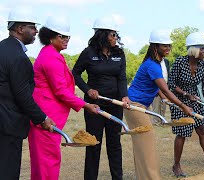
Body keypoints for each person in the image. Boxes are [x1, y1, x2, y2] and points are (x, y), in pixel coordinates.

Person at [28, 16, 99, 180]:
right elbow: (60, 90)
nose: (66, 40)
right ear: (50, 36)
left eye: (68, 36)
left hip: (50, 118)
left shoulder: (52, 54)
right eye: (62, 36)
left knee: (48, 161)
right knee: (46, 163)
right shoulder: (50, 57)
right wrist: (85, 105)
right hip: (45, 118)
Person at [124, 29, 193, 180]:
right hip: (135, 106)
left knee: (142, 144)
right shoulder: (152, 65)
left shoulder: (157, 63)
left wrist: (163, 98)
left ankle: (144, 176)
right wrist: (183, 106)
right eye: (164, 45)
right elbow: (166, 89)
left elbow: (157, 88)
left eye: (169, 45)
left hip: (140, 106)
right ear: (155, 46)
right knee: (146, 142)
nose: (168, 48)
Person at [0, 8, 55, 179]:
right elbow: (22, 95)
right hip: (8, 124)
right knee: (7, 171)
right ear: (20, 29)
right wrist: (42, 118)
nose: (36, 31)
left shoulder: (3, 47)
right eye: (32, 27)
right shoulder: (18, 57)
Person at [72, 17, 129, 180]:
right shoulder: (88, 52)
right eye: (113, 34)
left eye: (116, 34)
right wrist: (88, 90)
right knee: (93, 144)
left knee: (114, 145)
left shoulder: (119, 53)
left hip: (115, 105)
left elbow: (122, 77)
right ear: (103, 35)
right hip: (94, 107)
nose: (116, 38)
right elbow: (75, 73)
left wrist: (124, 95)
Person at [168, 32, 204, 176]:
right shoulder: (180, 62)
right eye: (202, 49)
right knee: (182, 133)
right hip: (179, 101)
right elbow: (171, 84)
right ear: (194, 50)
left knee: (203, 130)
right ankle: (176, 166)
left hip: (195, 100)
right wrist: (185, 94)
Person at [150, 58, 170, 125]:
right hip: (155, 86)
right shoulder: (153, 62)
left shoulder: (166, 61)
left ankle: (162, 120)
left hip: (165, 86)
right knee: (156, 105)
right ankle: (156, 121)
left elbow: (168, 73)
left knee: (163, 105)